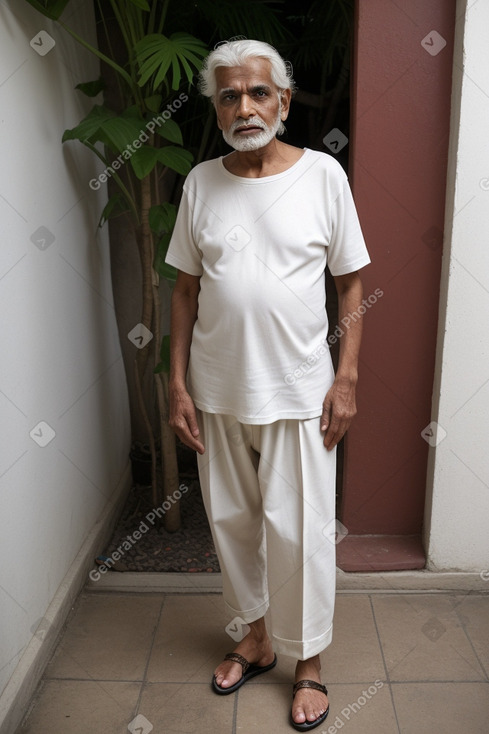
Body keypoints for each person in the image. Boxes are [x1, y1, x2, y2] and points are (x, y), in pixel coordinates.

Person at [166, 39, 370, 731]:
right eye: (229, 95)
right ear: (217, 107)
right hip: (217, 389)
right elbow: (185, 290)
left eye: (257, 93)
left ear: (283, 101)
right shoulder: (200, 182)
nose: (243, 106)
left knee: (301, 530)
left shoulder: (321, 176)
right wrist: (176, 384)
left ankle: (306, 661)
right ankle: (254, 638)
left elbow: (350, 284)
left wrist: (345, 379)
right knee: (231, 526)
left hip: (299, 392)